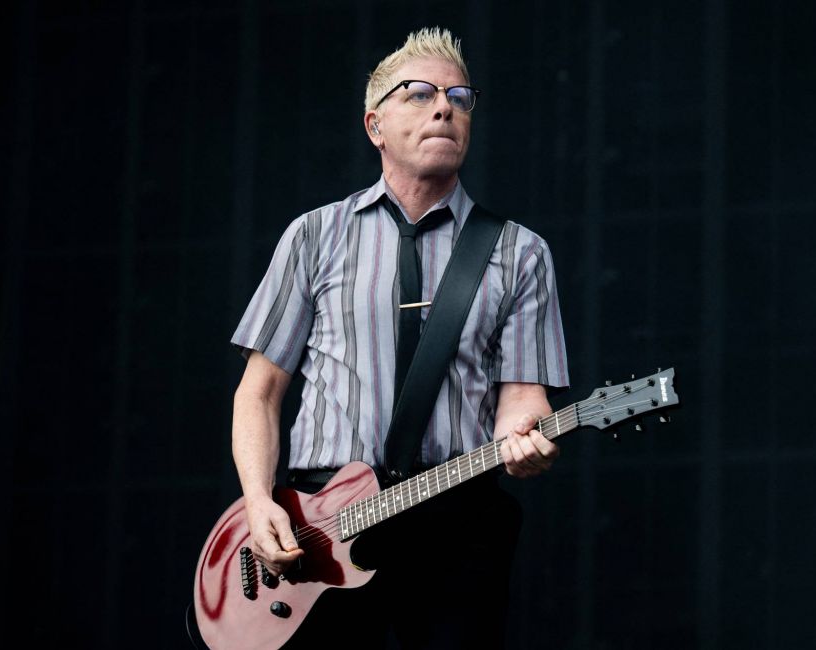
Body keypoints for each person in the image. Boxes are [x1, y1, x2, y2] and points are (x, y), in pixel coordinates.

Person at [229, 27, 568, 649]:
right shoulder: (314, 237)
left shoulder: (520, 252)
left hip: (457, 516)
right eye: (418, 93)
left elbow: (523, 402)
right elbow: (258, 393)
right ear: (374, 126)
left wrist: (531, 439)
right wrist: (258, 501)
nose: (444, 106)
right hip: (322, 525)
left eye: (460, 97)